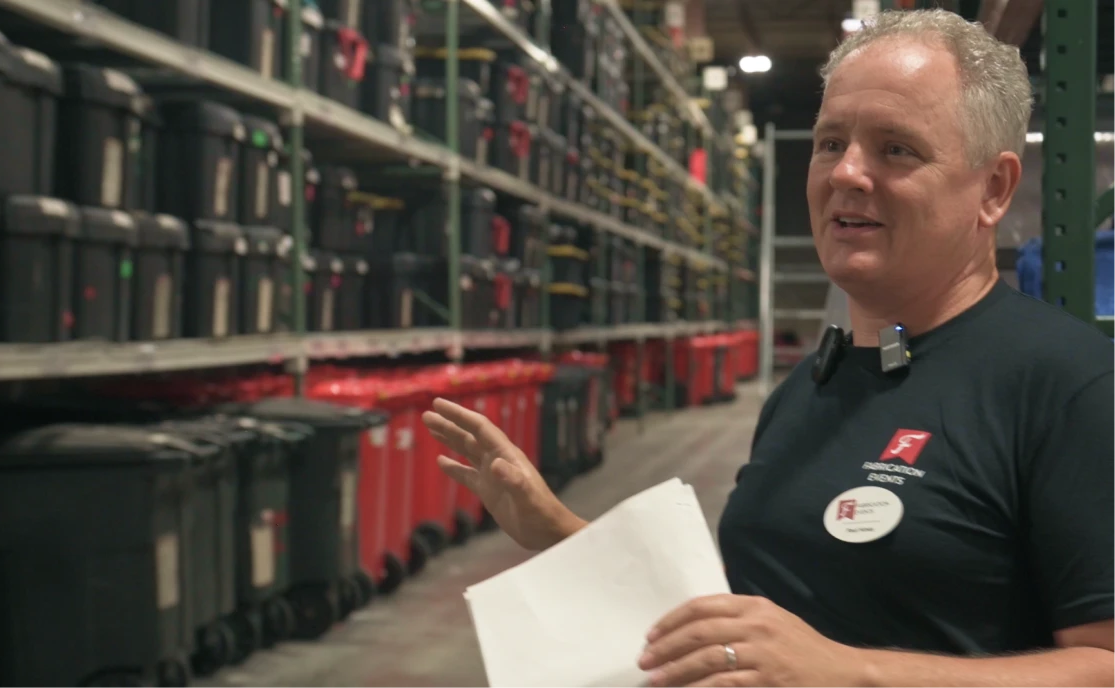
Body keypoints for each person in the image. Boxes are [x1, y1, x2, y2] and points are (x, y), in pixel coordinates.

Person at [422, 9, 1115, 688]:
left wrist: (849, 673)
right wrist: (560, 531)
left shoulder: (1067, 389)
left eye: (895, 148)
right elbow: (753, 627)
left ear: (992, 188)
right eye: (828, 142)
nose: (846, 173)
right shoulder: (808, 390)